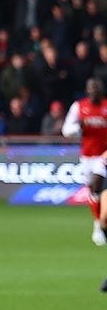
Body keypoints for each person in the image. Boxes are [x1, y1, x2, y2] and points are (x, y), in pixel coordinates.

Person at [62, 77, 107, 246]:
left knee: (97, 183)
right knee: (93, 192)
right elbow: (66, 130)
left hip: (103, 155)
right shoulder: (79, 107)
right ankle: (99, 222)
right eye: (92, 88)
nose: (94, 91)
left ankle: (98, 226)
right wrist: (79, 127)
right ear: (87, 91)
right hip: (86, 156)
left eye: (97, 88)